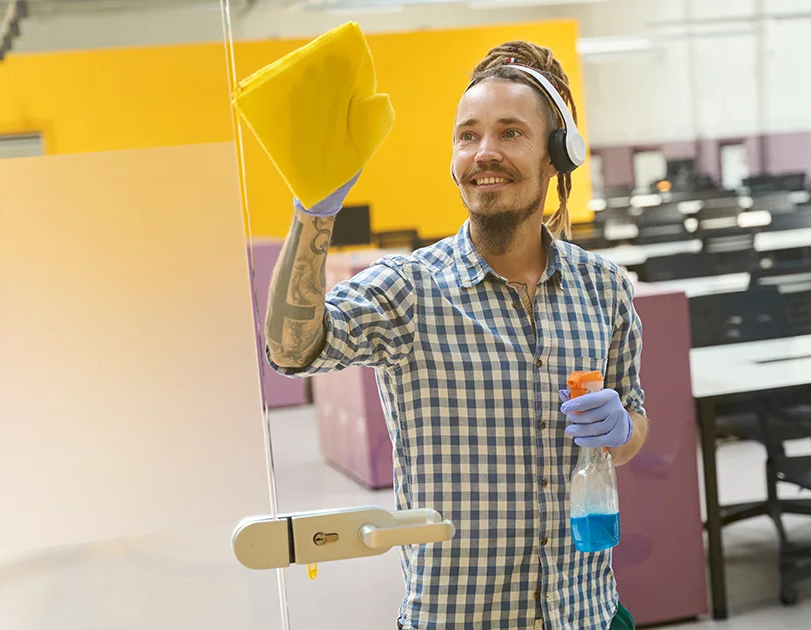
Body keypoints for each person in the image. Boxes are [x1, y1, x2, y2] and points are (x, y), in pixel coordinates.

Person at [264, 40, 648, 630]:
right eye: (468, 135)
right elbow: (291, 352)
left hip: (587, 615)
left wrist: (622, 430)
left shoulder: (605, 289)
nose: (484, 152)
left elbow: (634, 425)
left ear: (554, 158)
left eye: (510, 133)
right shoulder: (408, 290)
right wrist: (313, 214)